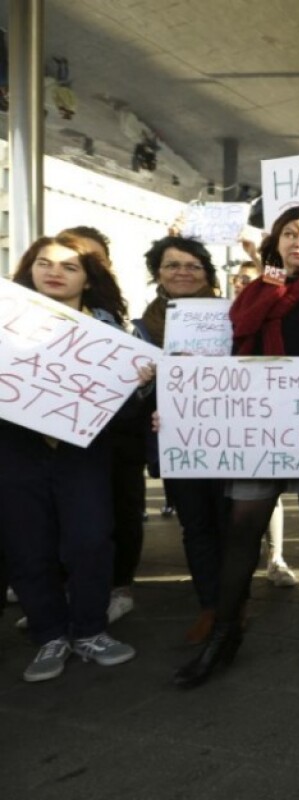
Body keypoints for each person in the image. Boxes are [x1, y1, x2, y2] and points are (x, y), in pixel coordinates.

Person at [173, 205, 299, 687]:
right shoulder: (256, 291)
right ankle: (226, 631)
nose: (297, 241)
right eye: (288, 234)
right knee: (242, 531)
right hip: (256, 429)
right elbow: (236, 340)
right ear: (275, 243)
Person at [1, 233, 152, 682]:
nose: (54, 272)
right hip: (15, 452)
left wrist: (138, 386)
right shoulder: (4, 322)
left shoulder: (109, 335)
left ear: (87, 280)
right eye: (44, 263)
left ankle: (89, 630)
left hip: (81, 456)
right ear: (29, 270)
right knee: (28, 548)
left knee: (90, 541)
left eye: (69, 267)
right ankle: (49, 635)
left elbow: (124, 414)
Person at [134, 236, 237, 643]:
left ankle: (235, 602)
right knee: (195, 526)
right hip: (178, 439)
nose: (182, 272)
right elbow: (131, 397)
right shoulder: (143, 327)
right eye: (173, 265)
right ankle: (210, 607)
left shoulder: (235, 314)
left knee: (232, 526)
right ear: (157, 273)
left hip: (232, 435)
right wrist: (146, 390)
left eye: (193, 265)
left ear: (208, 274)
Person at [60, 225, 145, 625]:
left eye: (92, 259)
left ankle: (117, 588)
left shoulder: (112, 317)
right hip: (59, 439)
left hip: (121, 436)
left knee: (120, 512)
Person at [230, 259, 297, 589]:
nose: (244, 283)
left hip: (289, 408)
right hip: (243, 412)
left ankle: (275, 556)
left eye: (251, 277)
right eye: (239, 278)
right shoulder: (232, 310)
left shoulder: (286, 296)